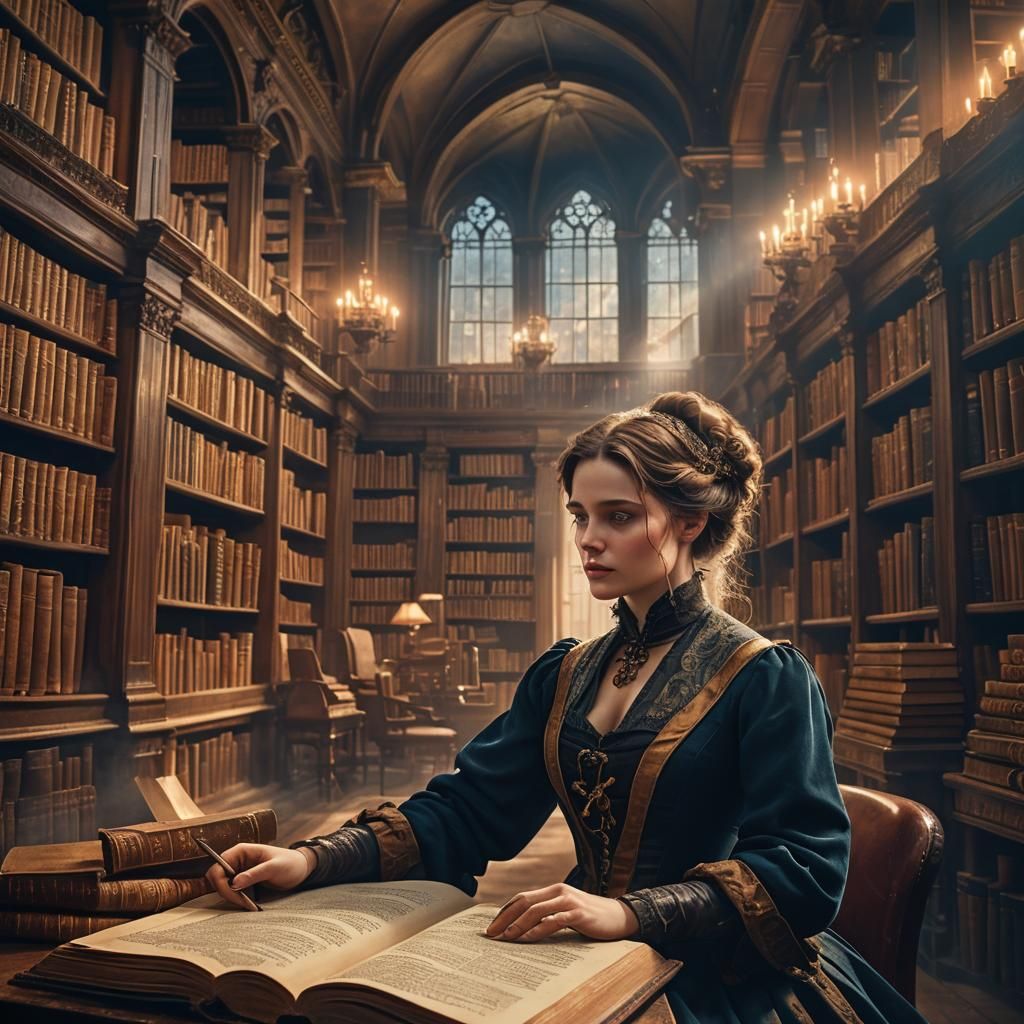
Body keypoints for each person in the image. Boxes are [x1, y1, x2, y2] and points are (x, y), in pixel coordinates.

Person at [209, 391, 928, 1024]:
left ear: (690, 522)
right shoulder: (568, 671)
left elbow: (804, 868)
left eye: (618, 516)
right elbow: (468, 810)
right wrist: (312, 858)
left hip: (717, 975)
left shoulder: (764, 676)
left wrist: (627, 913)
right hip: (576, 946)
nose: (589, 539)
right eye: (580, 515)